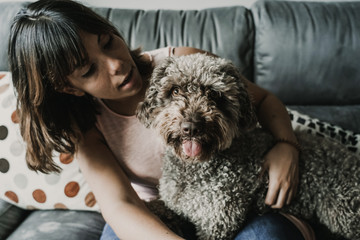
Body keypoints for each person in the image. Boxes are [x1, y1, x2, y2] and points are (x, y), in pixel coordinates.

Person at [8, 0, 313, 239]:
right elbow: (120, 205)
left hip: (240, 193)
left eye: (107, 42)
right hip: (162, 210)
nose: (116, 64)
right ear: (67, 86)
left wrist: (287, 146)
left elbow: (265, 100)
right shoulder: (88, 126)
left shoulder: (183, 61)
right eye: (88, 70)